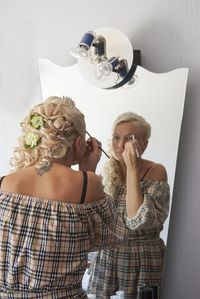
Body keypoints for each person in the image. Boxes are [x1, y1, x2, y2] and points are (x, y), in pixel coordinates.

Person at [0, 96, 130, 299]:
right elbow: (112, 238)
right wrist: (89, 171)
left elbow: (43, 170)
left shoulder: (5, 183)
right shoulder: (87, 183)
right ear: (79, 143)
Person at [88, 112, 170, 299]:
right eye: (116, 137)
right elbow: (91, 220)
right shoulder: (106, 174)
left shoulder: (155, 170)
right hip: (107, 260)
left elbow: (137, 220)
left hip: (143, 259)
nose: (119, 144)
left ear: (145, 144)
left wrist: (132, 168)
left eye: (129, 139)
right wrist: (90, 166)